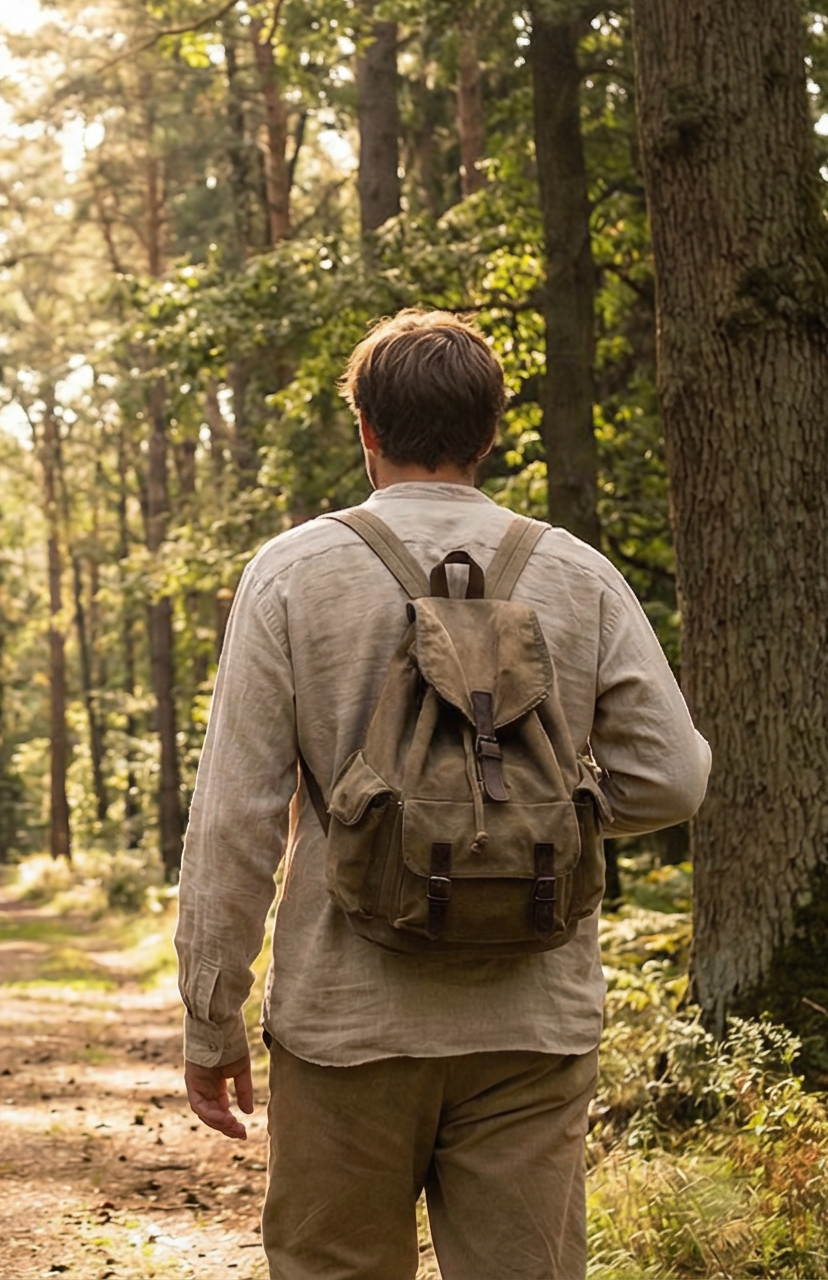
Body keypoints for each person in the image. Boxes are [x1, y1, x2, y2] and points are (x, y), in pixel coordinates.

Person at [173, 308, 710, 1280]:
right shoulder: (575, 574)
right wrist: (538, 813)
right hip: (531, 1020)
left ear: (367, 431)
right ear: (491, 432)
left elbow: (233, 822)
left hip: (347, 1026)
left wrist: (211, 1018)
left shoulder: (292, 574)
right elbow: (673, 775)